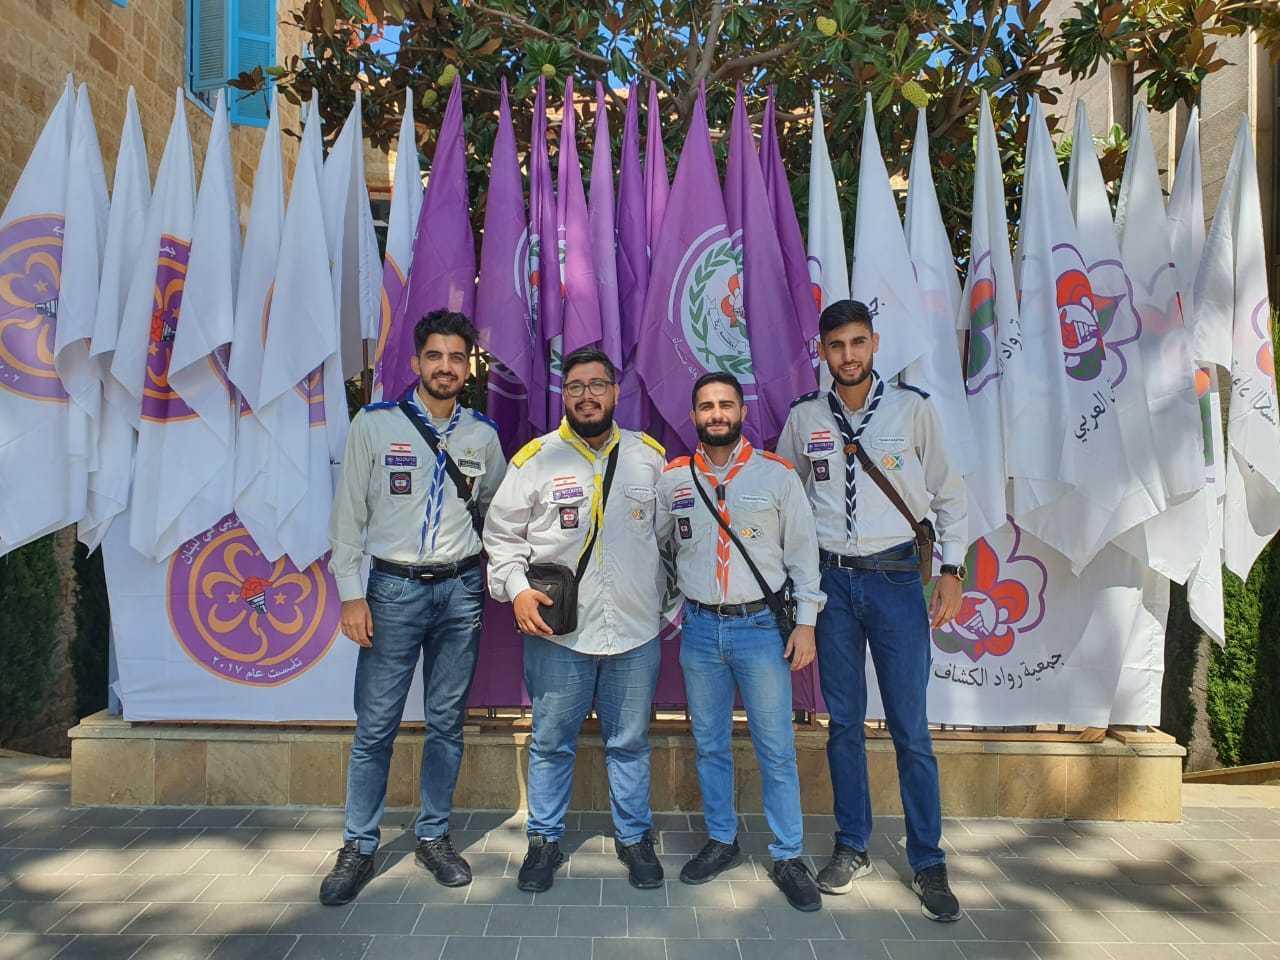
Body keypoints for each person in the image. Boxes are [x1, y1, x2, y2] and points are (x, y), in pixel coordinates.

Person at [777, 299, 966, 922]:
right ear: (822, 351)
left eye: (858, 342)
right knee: (844, 723)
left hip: (894, 580)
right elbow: (786, 499)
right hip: (832, 584)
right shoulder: (805, 417)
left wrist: (953, 571)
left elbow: (950, 494)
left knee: (910, 726)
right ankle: (851, 844)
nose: (848, 355)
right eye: (836, 345)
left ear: (874, 343)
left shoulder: (913, 409)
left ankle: (928, 859)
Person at [320, 310, 506, 906]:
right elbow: (348, 515)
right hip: (392, 591)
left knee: (447, 722)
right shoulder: (374, 426)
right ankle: (358, 844)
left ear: (468, 367)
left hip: (460, 592)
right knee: (376, 725)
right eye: (435, 356)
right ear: (416, 362)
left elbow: (498, 514)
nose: (445, 367)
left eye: (456, 357)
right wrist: (351, 594)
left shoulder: (482, 436)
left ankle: (433, 835)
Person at [483, 347, 668, 893]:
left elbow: (670, 540)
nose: (587, 396)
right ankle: (543, 840)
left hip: (634, 635)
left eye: (597, 385)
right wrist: (517, 591)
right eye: (576, 387)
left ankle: (635, 838)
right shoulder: (534, 460)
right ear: (564, 395)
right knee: (550, 743)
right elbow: (500, 537)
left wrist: (664, 605)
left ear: (615, 392)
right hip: (558, 638)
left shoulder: (649, 459)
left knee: (630, 743)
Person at [655, 372, 825, 911]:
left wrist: (806, 622)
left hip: (760, 631)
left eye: (725, 404)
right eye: (706, 406)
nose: (716, 414)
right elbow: (658, 548)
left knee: (775, 747)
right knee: (710, 743)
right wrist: (666, 609)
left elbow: (803, 554)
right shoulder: (674, 480)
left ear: (742, 412)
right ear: (693, 416)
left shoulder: (776, 474)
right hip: (701, 630)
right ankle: (722, 840)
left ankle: (788, 854)